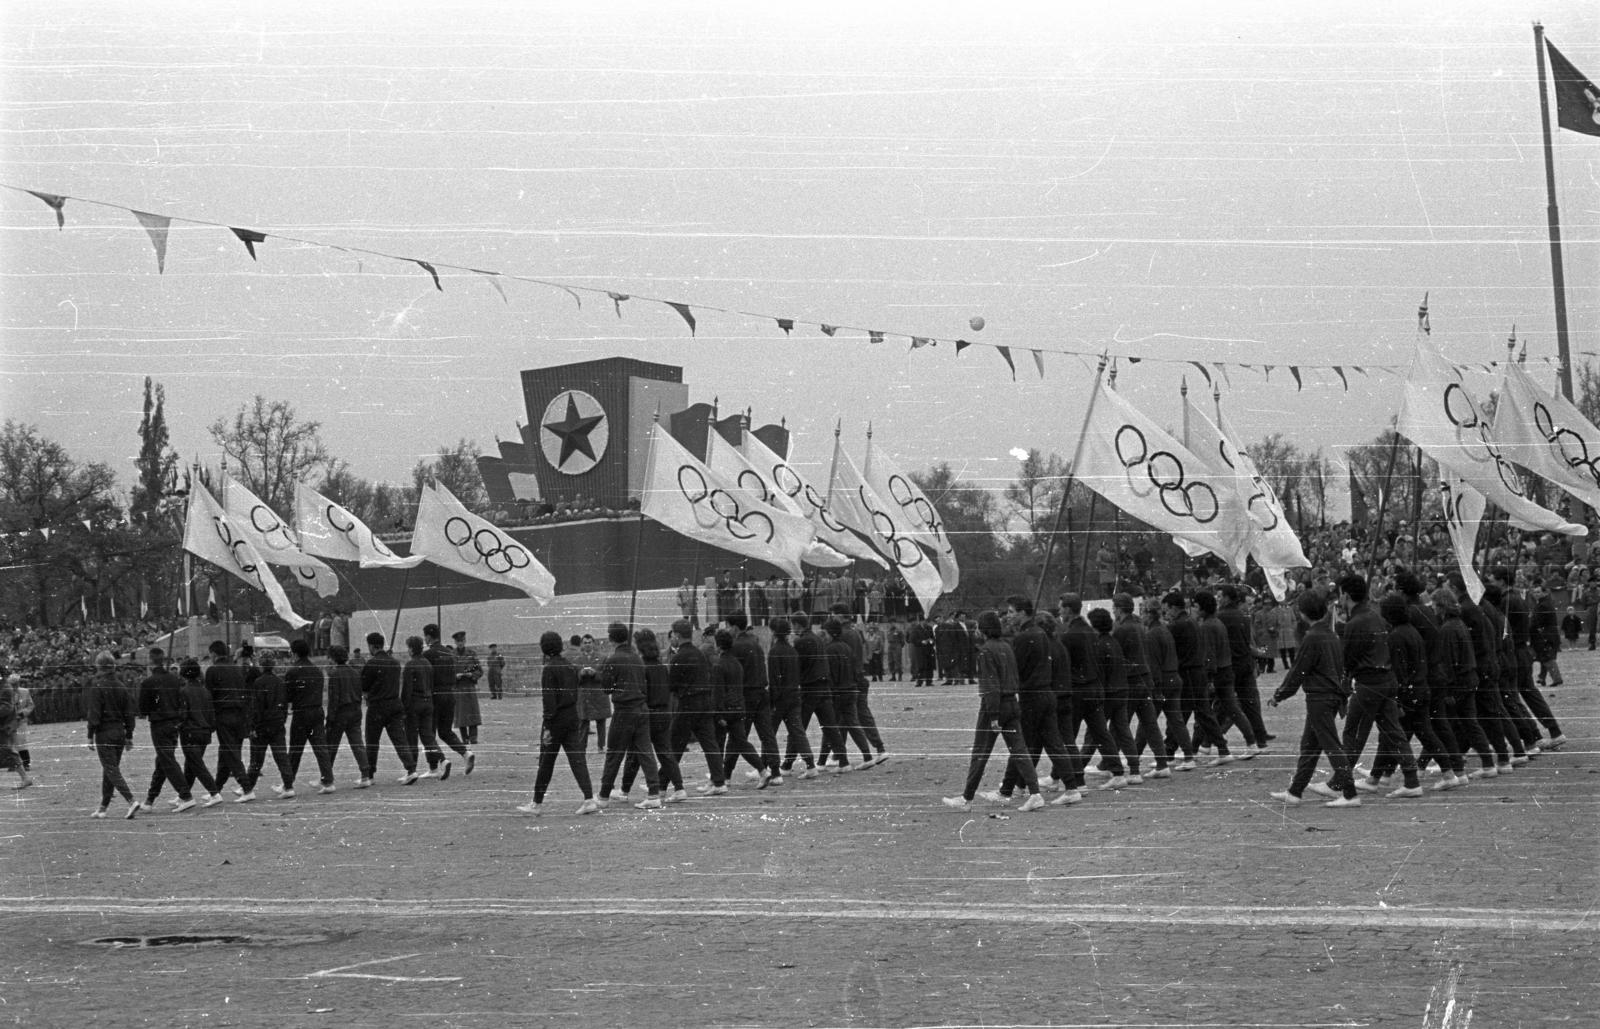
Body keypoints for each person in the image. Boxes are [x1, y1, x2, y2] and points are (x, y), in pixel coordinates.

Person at [942, 610, 1045, 812]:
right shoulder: (1006, 646)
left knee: (980, 753)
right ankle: (1035, 793)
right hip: (1012, 703)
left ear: (983, 629)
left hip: (995, 706)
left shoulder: (986, 651)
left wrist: (993, 715)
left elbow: (991, 686)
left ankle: (967, 798)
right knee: (1020, 751)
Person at [1331, 574, 1422, 799]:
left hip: (1369, 684)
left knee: (1353, 733)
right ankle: (1411, 780)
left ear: (1346, 595)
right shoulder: (1374, 616)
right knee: (1393, 732)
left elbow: (1348, 661)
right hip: (1386, 680)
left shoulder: (1356, 622)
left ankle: (1339, 783)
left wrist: (1343, 690)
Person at [1268, 590, 1360, 807]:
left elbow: (1298, 671)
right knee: (1309, 746)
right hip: (1330, 697)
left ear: (1303, 613)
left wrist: (1279, 695)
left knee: (1331, 745)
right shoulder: (1331, 635)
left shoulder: (1312, 637)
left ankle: (1350, 794)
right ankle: (1295, 792)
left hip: (1319, 698)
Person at [987, 596, 1074, 803]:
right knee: (1054, 744)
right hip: (1046, 695)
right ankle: (1072, 788)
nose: (1008, 616)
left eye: (1011, 611)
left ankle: (1007, 790)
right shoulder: (1040, 633)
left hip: (1032, 698)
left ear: (1023, 613)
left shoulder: (1024, 637)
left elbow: (1015, 669)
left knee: (1020, 744)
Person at [516, 631, 598, 815]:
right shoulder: (570, 666)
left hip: (555, 720)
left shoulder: (549, 669)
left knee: (546, 762)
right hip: (572, 716)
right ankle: (589, 798)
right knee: (577, 759)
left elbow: (549, 700)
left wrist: (547, 726)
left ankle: (537, 803)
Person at [594, 622, 664, 810]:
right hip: (641, 709)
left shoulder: (613, 660)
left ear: (611, 638)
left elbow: (606, 688)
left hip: (624, 710)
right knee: (645, 752)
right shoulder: (638, 658)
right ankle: (654, 793)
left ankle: (603, 795)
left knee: (614, 754)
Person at [618, 627, 686, 804]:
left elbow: (642, 693)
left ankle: (625, 790)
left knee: (635, 754)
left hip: (648, 713)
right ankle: (679, 787)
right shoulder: (661, 667)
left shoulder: (642, 667)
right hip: (664, 712)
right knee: (665, 752)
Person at [666, 619, 725, 793]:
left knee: (674, 744)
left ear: (677, 635)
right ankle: (719, 781)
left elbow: (672, 686)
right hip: (705, 702)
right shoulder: (699, 654)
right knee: (710, 743)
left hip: (687, 703)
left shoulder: (679, 657)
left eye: (673, 634)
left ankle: (661, 784)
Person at [136, 647, 198, 813]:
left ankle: (186, 795)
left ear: (150, 660)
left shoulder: (148, 682)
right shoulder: (175, 680)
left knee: (167, 760)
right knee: (163, 760)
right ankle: (150, 800)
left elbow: (142, 710)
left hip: (159, 725)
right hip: (174, 724)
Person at [726, 611, 782, 786]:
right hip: (761, 693)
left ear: (734, 628)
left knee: (736, 735)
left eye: (728, 626)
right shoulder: (756, 644)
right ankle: (776, 772)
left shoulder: (736, 647)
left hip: (746, 695)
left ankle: (725, 775)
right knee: (767, 734)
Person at [85, 651, 139, 819]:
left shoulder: (97, 685)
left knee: (111, 769)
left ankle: (131, 800)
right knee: (110, 769)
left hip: (104, 732)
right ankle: (103, 807)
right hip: (120, 731)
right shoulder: (121, 686)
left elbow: (94, 713)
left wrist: (90, 734)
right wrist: (129, 735)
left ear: (99, 666)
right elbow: (129, 713)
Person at [361, 632, 417, 784]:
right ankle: (411, 769)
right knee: (400, 739)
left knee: (372, 741)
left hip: (377, 706)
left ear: (371, 645)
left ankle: (370, 774)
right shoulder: (395, 662)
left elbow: (364, 685)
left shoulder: (371, 663)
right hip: (394, 704)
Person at [282, 638, 335, 795]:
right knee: (321, 748)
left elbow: (288, 696)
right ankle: (328, 780)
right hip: (317, 711)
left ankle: (288, 783)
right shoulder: (317, 670)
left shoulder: (293, 671)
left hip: (301, 712)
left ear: (295, 653)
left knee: (295, 749)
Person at [766, 617, 814, 780]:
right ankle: (811, 764)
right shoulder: (792, 650)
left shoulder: (774, 651)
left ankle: (765, 766)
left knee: (769, 733)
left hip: (780, 698)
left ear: (774, 632)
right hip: (794, 695)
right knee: (797, 732)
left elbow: (774, 680)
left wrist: (772, 701)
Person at [240, 654, 293, 802]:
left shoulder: (258, 682)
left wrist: (252, 726)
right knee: (281, 757)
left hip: (263, 725)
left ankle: (248, 788)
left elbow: (256, 707)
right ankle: (289, 786)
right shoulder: (279, 681)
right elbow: (284, 703)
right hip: (277, 723)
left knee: (256, 759)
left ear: (261, 665)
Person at [203, 639, 252, 798]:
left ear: (214, 654)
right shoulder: (237, 669)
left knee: (230, 752)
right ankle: (215, 790)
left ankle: (247, 787)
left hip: (223, 714)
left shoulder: (212, 670)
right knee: (227, 752)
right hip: (240, 714)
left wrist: (209, 720)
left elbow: (209, 697)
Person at [422, 624, 473, 775]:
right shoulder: (449, 653)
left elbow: (426, 678)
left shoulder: (427, 655)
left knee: (429, 732)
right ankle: (465, 753)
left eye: (425, 636)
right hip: (450, 694)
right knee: (445, 731)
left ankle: (434, 766)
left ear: (428, 637)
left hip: (434, 696)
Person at [174, 658, 223, 804]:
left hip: (190, 731)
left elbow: (183, 715)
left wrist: (177, 727)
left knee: (196, 764)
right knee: (191, 764)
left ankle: (214, 792)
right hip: (205, 732)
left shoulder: (184, 692)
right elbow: (211, 713)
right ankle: (183, 795)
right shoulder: (205, 691)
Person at [323, 644, 371, 787]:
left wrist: (329, 718)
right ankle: (365, 775)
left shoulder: (334, 674)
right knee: (357, 744)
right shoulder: (355, 672)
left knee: (331, 746)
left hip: (340, 713)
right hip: (355, 710)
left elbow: (333, 699)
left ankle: (326, 777)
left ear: (333, 658)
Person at [402, 635, 447, 780]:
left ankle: (412, 770)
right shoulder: (427, 663)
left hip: (414, 704)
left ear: (411, 649)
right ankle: (443, 759)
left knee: (411, 738)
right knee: (428, 735)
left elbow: (406, 690)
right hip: (428, 702)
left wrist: (403, 708)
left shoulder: (410, 665)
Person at [0, 672, 34, 792]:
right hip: (5, 724)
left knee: (9, 750)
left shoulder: (5, 688)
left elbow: (6, 708)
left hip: (4, 725)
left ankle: (25, 778)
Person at [452, 631, 484, 746]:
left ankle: (473, 737)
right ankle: (464, 737)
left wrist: (472, 675)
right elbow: (448, 671)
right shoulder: (451, 655)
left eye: (462, 641)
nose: (460, 643)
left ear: (465, 641)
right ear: (455, 642)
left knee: (472, 711)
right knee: (461, 713)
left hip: (469, 686)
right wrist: (455, 676)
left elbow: (480, 670)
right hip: (459, 687)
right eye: (458, 641)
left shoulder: (471, 654)